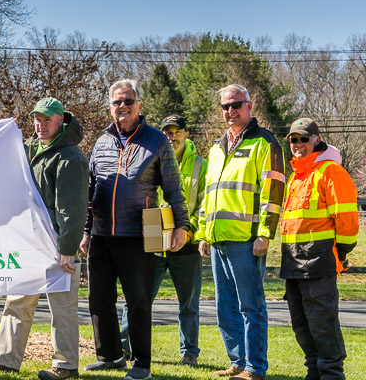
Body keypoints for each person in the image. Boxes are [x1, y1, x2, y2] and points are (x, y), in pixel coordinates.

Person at [0, 97, 89, 380]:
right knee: (18, 301)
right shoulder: (31, 150)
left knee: (62, 308)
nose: (40, 124)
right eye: (36, 119)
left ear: (62, 119)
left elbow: (71, 209)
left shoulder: (70, 157)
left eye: (47, 119)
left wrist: (67, 249)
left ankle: (66, 367)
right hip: (29, 241)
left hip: (58, 245)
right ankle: (4, 361)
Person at [81, 79, 189, 380]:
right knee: (99, 299)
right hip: (102, 236)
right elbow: (91, 191)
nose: (123, 107)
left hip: (138, 236)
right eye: (117, 102)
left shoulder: (157, 141)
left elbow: (173, 188)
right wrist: (87, 231)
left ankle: (142, 363)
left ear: (139, 105)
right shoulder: (101, 142)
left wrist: (182, 225)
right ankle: (110, 356)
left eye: (128, 101)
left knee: (138, 301)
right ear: (110, 107)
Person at [196, 84, 285, 380]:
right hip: (218, 238)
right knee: (225, 308)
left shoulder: (265, 142)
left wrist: (265, 234)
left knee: (251, 306)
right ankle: (238, 361)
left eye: (236, 105)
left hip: (247, 240)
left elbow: (272, 192)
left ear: (250, 105)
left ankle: (255, 368)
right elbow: (209, 194)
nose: (230, 111)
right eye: (225, 107)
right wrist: (203, 233)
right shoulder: (217, 147)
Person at [119, 114, 208, 367]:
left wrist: (188, 232)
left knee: (189, 305)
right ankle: (124, 348)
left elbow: (204, 206)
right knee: (137, 298)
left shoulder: (202, 165)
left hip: (186, 246)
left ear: (186, 134)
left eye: (177, 131)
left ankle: (189, 353)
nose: (172, 136)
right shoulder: (151, 160)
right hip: (153, 245)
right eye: (167, 132)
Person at [280, 118, 357, 380]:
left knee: (322, 324)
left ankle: (332, 375)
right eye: (294, 139)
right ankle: (314, 372)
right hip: (293, 262)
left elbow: (347, 220)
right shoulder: (297, 176)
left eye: (304, 138)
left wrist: (340, 253)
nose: (298, 144)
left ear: (317, 139)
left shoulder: (331, 172)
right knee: (301, 325)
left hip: (319, 261)